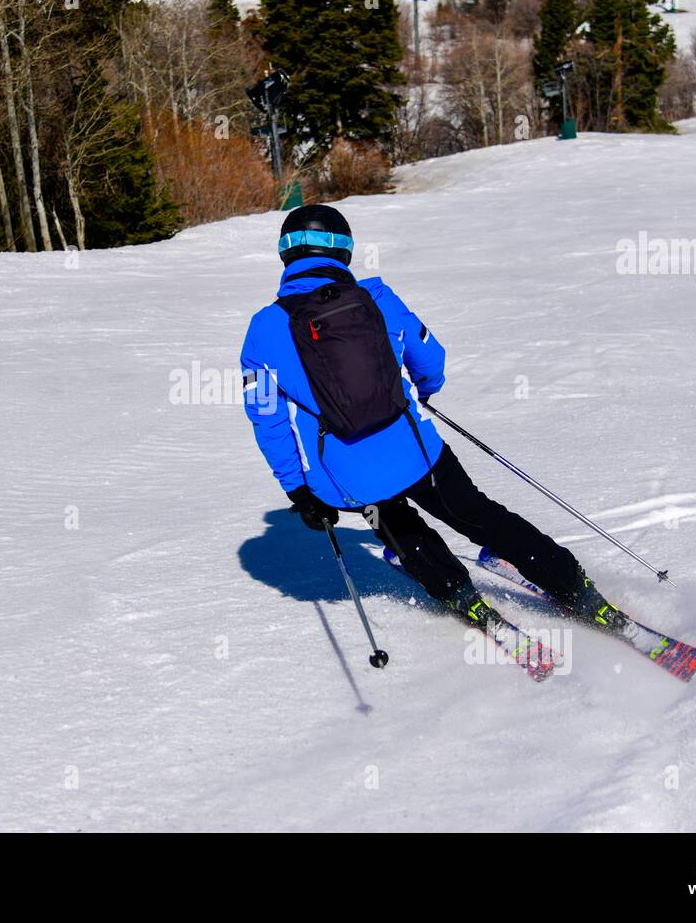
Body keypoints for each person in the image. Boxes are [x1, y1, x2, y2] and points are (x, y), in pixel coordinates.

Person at [240, 204, 623, 634]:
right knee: (478, 514)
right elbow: (431, 358)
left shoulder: (263, 329)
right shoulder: (379, 299)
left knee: (397, 527)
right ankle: (572, 585)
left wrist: (299, 489)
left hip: (344, 478)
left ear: (285, 253)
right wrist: (423, 390)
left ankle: (460, 596)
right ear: (344, 250)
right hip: (416, 451)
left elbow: (267, 419)